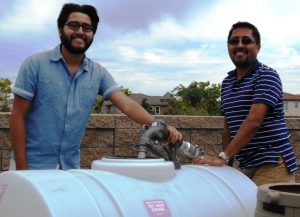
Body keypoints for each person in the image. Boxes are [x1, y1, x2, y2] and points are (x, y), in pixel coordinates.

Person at [9, 3, 182, 170]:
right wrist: (23, 170)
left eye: (87, 28)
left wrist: (160, 125)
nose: (80, 32)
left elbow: (127, 104)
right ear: (60, 29)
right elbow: (17, 117)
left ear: (92, 34)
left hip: (69, 168)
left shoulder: (98, 73)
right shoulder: (35, 65)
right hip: (31, 165)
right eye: (73, 25)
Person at [193, 21, 298, 185]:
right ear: (228, 46)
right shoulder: (227, 83)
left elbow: (253, 122)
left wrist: (222, 157)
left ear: (258, 47)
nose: (239, 45)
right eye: (234, 41)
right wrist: (226, 164)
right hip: (246, 165)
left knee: (262, 210)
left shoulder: (267, 75)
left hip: (272, 162)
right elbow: (228, 129)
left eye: (246, 41)